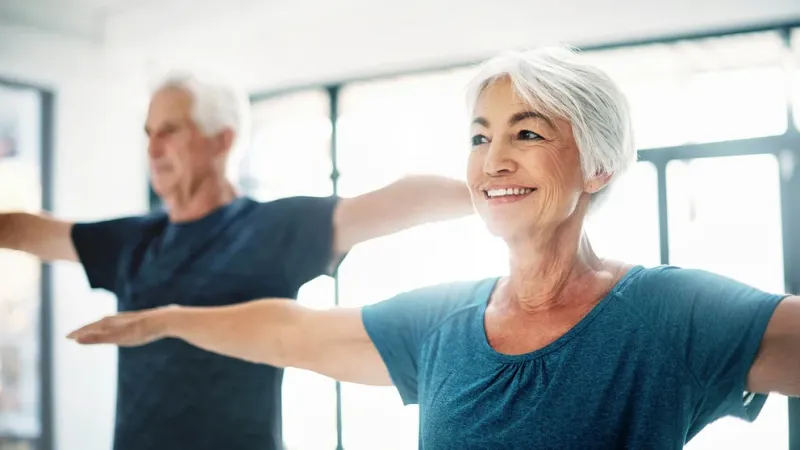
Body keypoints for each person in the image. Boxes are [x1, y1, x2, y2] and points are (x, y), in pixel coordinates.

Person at [67, 48, 800, 449]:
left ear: (599, 164)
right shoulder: (446, 321)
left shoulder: (672, 313)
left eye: (528, 133)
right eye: (481, 136)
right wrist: (163, 319)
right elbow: (293, 331)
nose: (493, 159)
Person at [0, 72, 475, 450]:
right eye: (148, 133)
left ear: (221, 140)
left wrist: (502, 193)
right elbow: (26, 230)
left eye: (169, 131)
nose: (152, 149)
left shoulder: (272, 228)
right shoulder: (134, 240)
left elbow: (400, 200)